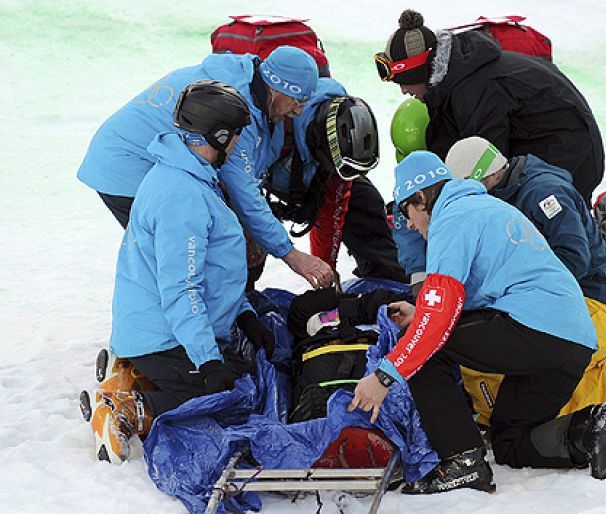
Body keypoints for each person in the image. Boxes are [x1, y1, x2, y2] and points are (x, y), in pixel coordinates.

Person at [348, 151, 606, 494]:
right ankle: (591, 429)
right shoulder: (487, 208)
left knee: (423, 347)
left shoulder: (451, 219)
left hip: (536, 327)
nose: (408, 223)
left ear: (421, 197)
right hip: (574, 339)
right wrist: (420, 313)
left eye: (406, 211)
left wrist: (384, 375)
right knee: (511, 442)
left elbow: (437, 320)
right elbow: (465, 301)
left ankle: (462, 462)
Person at [80, 81, 276, 465]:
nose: (240, 146)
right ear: (219, 137)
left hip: (163, 327)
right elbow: (182, 288)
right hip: (163, 333)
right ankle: (127, 409)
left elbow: (213, 274)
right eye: (237, 136)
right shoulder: (181, 196)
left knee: (247, 367)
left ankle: (132, 370)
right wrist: (207, 360)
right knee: (234, 398)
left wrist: (245, 315)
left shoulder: (188, 172)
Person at [77, 46, 334, 289]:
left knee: (228, 244)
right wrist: (291, 255)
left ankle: (232, 315)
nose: (299, 112)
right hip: (125, 167)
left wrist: (254, 231)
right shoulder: (236, 108)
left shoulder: (258, 88)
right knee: (189, 261)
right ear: (279, 90)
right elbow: (243, 192)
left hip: (149, 160)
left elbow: (249, 179)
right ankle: (183, 328)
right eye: (297, 102)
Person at [445, 136, 606, 418]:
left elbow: (574, 259)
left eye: (472, 189)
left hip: (592, 301)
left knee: (539, 384)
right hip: (551, 303)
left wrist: (514, 297)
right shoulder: (501, 195)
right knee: (490, 368)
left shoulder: (544, 194)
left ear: (492, 174)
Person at [374, 9, 605, 206]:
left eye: (404, 82)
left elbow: (484, 169)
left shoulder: (474, 90)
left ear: (419, 72)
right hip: (548, 146)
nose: (403, 91)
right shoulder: (452, 80)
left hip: (569, 156)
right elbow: (447, 146)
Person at [265, 77, 407, 282]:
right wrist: (291, 255)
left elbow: (331, 212)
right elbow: (243, 193)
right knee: (242, 244)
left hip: (304, 172)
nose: (341, 175)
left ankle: (388, 283)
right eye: (339, 169)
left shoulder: (336, 151)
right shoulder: (275, 120)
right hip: (242, 183)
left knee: (364, 200)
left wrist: (324, 270)